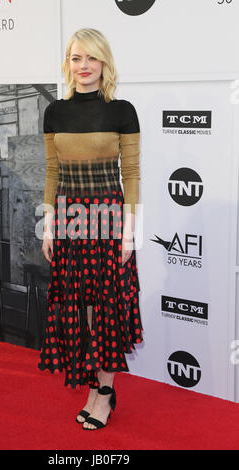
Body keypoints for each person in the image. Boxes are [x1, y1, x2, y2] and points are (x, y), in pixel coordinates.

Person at [39, 28, 143, 430]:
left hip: (108, 220)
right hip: (69, 220)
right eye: (76, 58)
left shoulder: (122, 111)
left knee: (106, 309)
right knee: (80, 311)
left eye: (91, 59)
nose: (83, 67)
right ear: (68, 62)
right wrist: (49, 226)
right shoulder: (55, 113)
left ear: (104, 62)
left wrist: (128, 232)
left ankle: (103, 392)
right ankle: (95, 384)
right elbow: (52, 171)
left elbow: (131, 174)